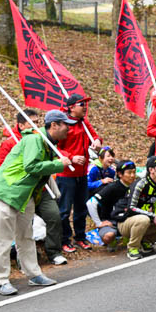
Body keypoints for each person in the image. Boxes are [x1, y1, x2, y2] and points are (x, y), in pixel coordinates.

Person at [0, 110, 72, 296]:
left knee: (26, 236)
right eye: (65, 124)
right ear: (54, 125)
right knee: (4, 239)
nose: (69, 128)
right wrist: (59, 164)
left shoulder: (48, 143)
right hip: (7, 193)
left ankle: (34, 274)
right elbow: (31, 166)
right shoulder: (35, 139)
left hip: (26, 196)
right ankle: (1, 280)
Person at [0, 110, 66, 266]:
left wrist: (66, 160)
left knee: (53, 216)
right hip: (19, 191)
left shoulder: (43, 139)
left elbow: (55, 156)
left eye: (37, 121)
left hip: (41, 189)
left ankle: (52, 253)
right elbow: (5, 168)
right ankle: (18, 265)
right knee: (18, 231)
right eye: (31, 121)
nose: (36, 124)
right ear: (21, 125)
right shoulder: (11, 143)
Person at [111, 156, 156, 260]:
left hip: (145, 220)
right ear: (151, 170)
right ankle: (133, 248)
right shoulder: (140, 184)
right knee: (144, 219)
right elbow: (131, 208)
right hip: (125, 222)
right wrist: (152, 216)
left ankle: (144, 240)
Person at [56, 94, 99, 253]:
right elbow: (55, 149)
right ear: (72, 107)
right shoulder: (63, 125)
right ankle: (64, 240)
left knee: (81, 207)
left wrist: (97, 141)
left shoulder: (84, 122)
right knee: (65, 210)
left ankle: (80, 237)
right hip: (66, 175)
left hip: (82, 174)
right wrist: (71, 158)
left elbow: (94, 136)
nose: (85, 107)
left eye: (86, 104)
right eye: (82, 104)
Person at [86, 160, 136, 248]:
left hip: (129, 220)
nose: (132, 176)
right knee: (108, 236)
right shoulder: (112, 187)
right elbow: (90, 203)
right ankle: (113, 240)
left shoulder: (136, 186)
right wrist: (98, 223)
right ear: (120, 174)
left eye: (134, 172)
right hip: (111, 222)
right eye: (129, 173)